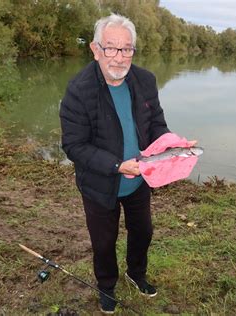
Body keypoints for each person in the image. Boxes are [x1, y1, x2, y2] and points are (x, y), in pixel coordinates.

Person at [59, 13, 194, 314]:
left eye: (126, 49)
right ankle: (106, 286)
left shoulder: (144, 80)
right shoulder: (79, 90)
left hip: (139, 179)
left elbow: (156, 124)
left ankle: (137, 274)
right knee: (104, 242)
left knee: (143, 231)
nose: (119, 58)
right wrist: (117, 165)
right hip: (100, 183)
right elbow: (73, 145)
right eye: (111, 48)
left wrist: (173, 142)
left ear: (133, 50)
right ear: (95, 50)